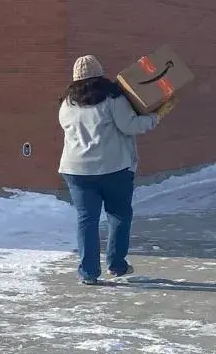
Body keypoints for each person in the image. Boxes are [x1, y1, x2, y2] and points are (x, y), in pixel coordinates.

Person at [58, 55, 176, 285]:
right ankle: (116, 264)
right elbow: (130, 126)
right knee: (119, 215)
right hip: (113, 168)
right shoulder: (112, 98)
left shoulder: (67, 103)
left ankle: (89, 273)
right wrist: (156, 116)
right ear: (100, 75)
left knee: (87, 220)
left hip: (76, 171)